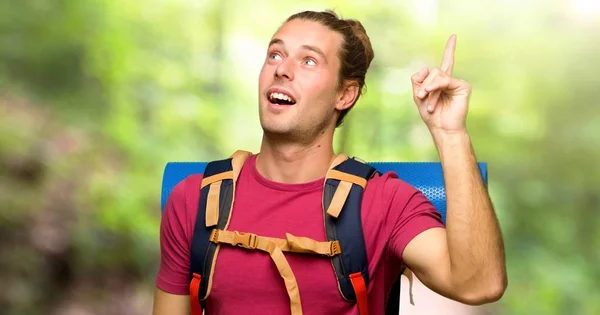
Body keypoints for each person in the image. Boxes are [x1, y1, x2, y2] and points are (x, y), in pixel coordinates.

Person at [152, 9, 507, 315]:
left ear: (345, 94)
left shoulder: (384, 203)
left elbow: (479, 284)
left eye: (308, 61)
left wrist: (450, 133)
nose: (283, 70)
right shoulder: (195, 201)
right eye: (275, 55)